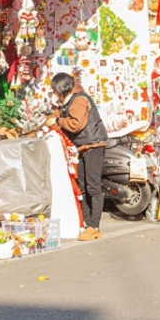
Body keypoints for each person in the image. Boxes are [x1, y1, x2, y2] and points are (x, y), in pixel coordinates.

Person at [48, 73, 108, 241]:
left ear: (61, 89)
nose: (54, 94)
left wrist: (58, 122)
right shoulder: (67, 103)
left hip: (93, 145)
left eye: (55, 90)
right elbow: (58, 115)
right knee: (82, 187)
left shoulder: (79, 100)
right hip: (83, 147)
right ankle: (85, 223)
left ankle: (93, 226)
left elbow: (76, 124)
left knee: (93, 187)